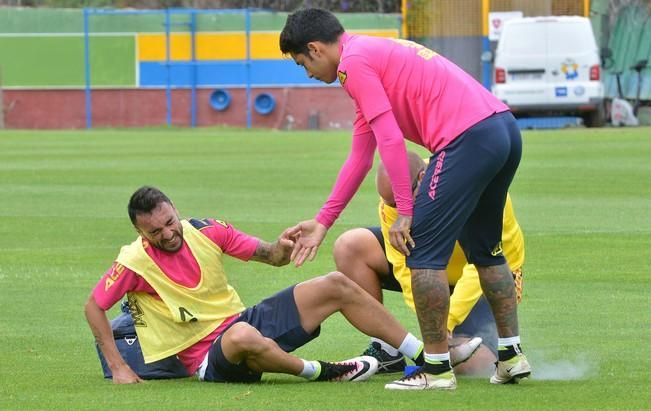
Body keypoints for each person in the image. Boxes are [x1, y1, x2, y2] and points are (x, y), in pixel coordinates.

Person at [279, 8, 531, 390]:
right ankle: (512, 357)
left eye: (302, 64)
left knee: (423, 253)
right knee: (486, 249)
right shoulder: (371, 55)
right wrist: (323, 221)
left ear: (314, 49)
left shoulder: (353, 64)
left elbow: (392, 143)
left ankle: (435, 369)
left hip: (467, 138)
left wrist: (406, 212)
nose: (308, 73)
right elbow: (361, 157)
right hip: (502, 129)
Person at [85, 186, 434, 384]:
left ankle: (428, 356)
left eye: (169, 222)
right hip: (209, 360)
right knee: (240, 337)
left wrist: (282, 248)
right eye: (155, 232)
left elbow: (270, 255)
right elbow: (94, 306)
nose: (167, 234)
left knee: (335, 284)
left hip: (245, 323)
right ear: (140, 233)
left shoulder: (207, 230)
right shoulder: (134, 262)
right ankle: (324, 372)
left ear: (176, 210)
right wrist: (119, 368)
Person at [334, 152, 525, 376]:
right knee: (350, 246)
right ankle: (387, 349)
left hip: (486, 281)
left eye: (401, 202)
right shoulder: (392, 204)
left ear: (423, 178)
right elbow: (404, 267)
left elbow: (484, 264)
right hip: (434, 275)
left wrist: (448, 320)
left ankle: (502, 351)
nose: (398, 211)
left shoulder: (478, 188)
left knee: (472, 365)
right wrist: (433, 321)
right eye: (391, 204)